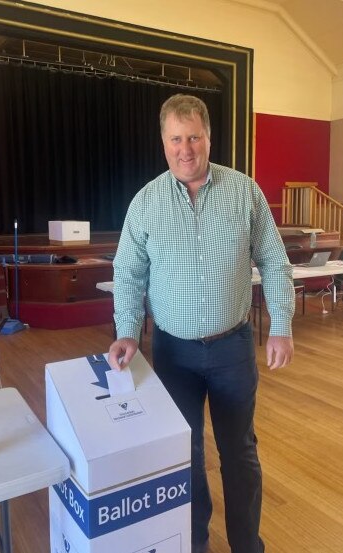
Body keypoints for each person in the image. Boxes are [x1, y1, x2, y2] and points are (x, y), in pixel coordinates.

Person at [108, 94, 295, 553]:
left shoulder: (244, 192)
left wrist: (282, 323)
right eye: (175, 138)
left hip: (232, 348)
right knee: (185, 455)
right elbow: (128, 272)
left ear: (209, 138)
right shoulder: (146, 202)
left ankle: (247, 545)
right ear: (163, 141)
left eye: (193, 137)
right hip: (173, 354)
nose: (185, 148)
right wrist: (128, 330)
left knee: (239, 454)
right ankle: (193, 544)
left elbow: (274, 261)